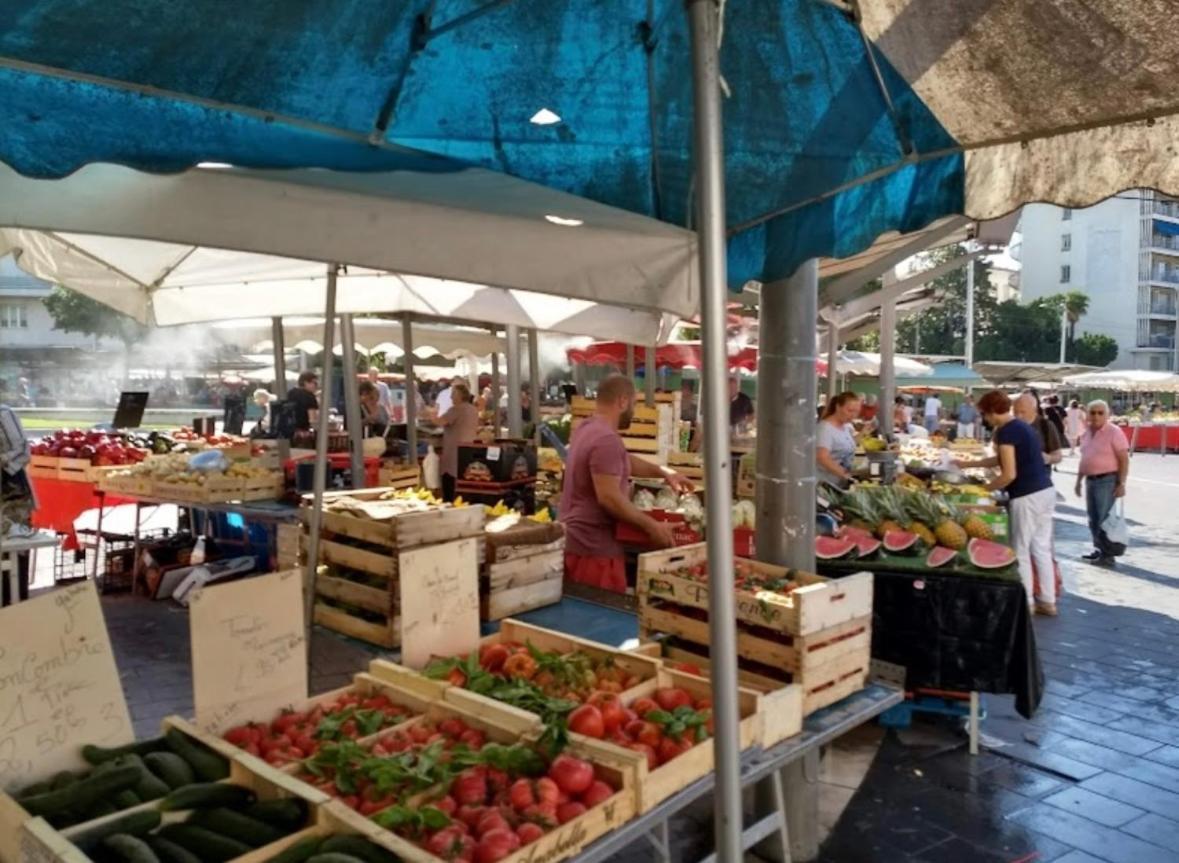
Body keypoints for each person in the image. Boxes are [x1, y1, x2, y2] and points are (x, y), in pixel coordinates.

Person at [560, 374, 694, 592]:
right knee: (599, 621)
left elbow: (621, 460)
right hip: (594, 551)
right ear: (622, 401)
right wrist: (652, 527)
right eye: (634, 404)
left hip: (576, 544)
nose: (634, 410)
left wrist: (663, 472)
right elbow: (609, 498)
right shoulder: (606, 440)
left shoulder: (587, 428)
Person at [956, 390, 1056, 615]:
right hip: (1045, 491)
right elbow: (1000, 458)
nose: (985, 419)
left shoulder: (1006, 431)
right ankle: (1048, 601)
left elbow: (1009, 473)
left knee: (1020, 549)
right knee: (1041, 548)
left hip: (1026, 495)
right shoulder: (1021, 427)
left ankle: (1027, 602)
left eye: (985, 414)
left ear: (991, 412)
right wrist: (967, 465)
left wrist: (983, 490)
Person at [1075, 399, 1130, 566]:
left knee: (1103, 519)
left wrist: (1121, 483)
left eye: (1100, 413)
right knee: (1093, 518)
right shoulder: (1086, 433)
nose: (1096, 416)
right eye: (1093, 412)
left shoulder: (1114, 432)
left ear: (1107, 415)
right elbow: (1085, 460)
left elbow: (1124, 459)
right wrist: (1078, 481)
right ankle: (1099, 549)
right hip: (1091, 481)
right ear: (1088, 415)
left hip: (1107, 480)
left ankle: (1107, 555)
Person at [435, 382, 480, 501]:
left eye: (453, 394)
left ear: (460, 395)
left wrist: (427, 414)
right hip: (467, 452)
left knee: (449, 485)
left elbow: (440, 422)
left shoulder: (456, 409)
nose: (451, 397)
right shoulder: (473, 410)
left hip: (453, 453)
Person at [816, 392, 861, 489]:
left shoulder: (845, 426)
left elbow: (847, 445)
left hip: (839, 483)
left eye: (856, 412)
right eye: (850, 410)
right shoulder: (825, 429)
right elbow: (822, 457)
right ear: (838, 407)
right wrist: (845, 474)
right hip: (826, 485)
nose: (853, 415)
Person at [1015, 392, 1063, 468]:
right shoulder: (1009, 425)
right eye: (1015, 412)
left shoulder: (1046, 425)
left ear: (1034, 410)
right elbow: (994, 448)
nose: (1018, 416)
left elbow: (1058, 456)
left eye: (1022, 412)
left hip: (1039, 474)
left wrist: (1048, 458)